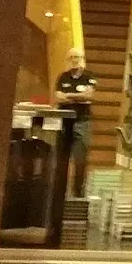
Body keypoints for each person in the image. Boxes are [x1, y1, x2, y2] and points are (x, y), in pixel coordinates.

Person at [54, 48, 96, 197]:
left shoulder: (89, 76)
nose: (74, 60)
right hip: (64, 122)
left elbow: (88, 95)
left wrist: (69, 96)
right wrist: (79, 96)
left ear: (82, 58)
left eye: (77, 57)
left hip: (82, 122)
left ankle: (78, 193)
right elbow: (58, 98)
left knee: (80, 159)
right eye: (71, 57)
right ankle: (59, 193)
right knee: (61, 159)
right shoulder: (63, 77)